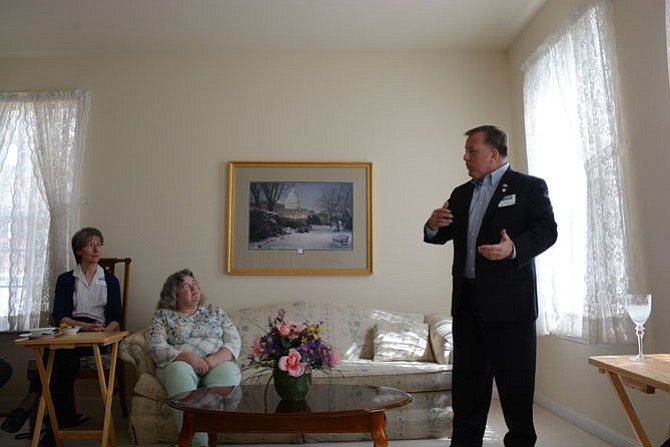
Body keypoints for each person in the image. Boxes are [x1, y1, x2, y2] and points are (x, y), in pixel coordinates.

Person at [423, 125, 557, 447]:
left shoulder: (529, 188)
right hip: (468, 306)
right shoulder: (461, 193)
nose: (465, 157)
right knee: (467, 390)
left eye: (472, 151)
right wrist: (431, 225)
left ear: (493, 154)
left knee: (515, 391)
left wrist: (512, 249)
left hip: (511, 307)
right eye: (467, 151)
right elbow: (440, 234)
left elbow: (547, 231)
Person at [1, 227, 122, 447]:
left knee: (59, 355)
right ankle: (59, 421)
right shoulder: (66, 279)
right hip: (73, 330)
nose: (96, 249)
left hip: (97, 336)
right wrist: (83, 326)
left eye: (98, 244)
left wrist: (102, 331)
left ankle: (33, 406)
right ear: (79, 250)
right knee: (61, 353)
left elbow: (116, 318)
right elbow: (61, 317)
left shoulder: (111, 281)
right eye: (90, 244)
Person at [147, 268, 242, 447]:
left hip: (214, 362)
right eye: (187, 286)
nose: (194, 289)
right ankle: (197, 443)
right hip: (179, 363)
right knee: (179, 372)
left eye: (195, 284)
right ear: (173, 293)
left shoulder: (215, 311)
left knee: (230, 374)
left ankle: (213, 437)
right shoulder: (163, 316)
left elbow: (233, 341)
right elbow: (156, 347)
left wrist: (211, 361)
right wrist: (188, 357)